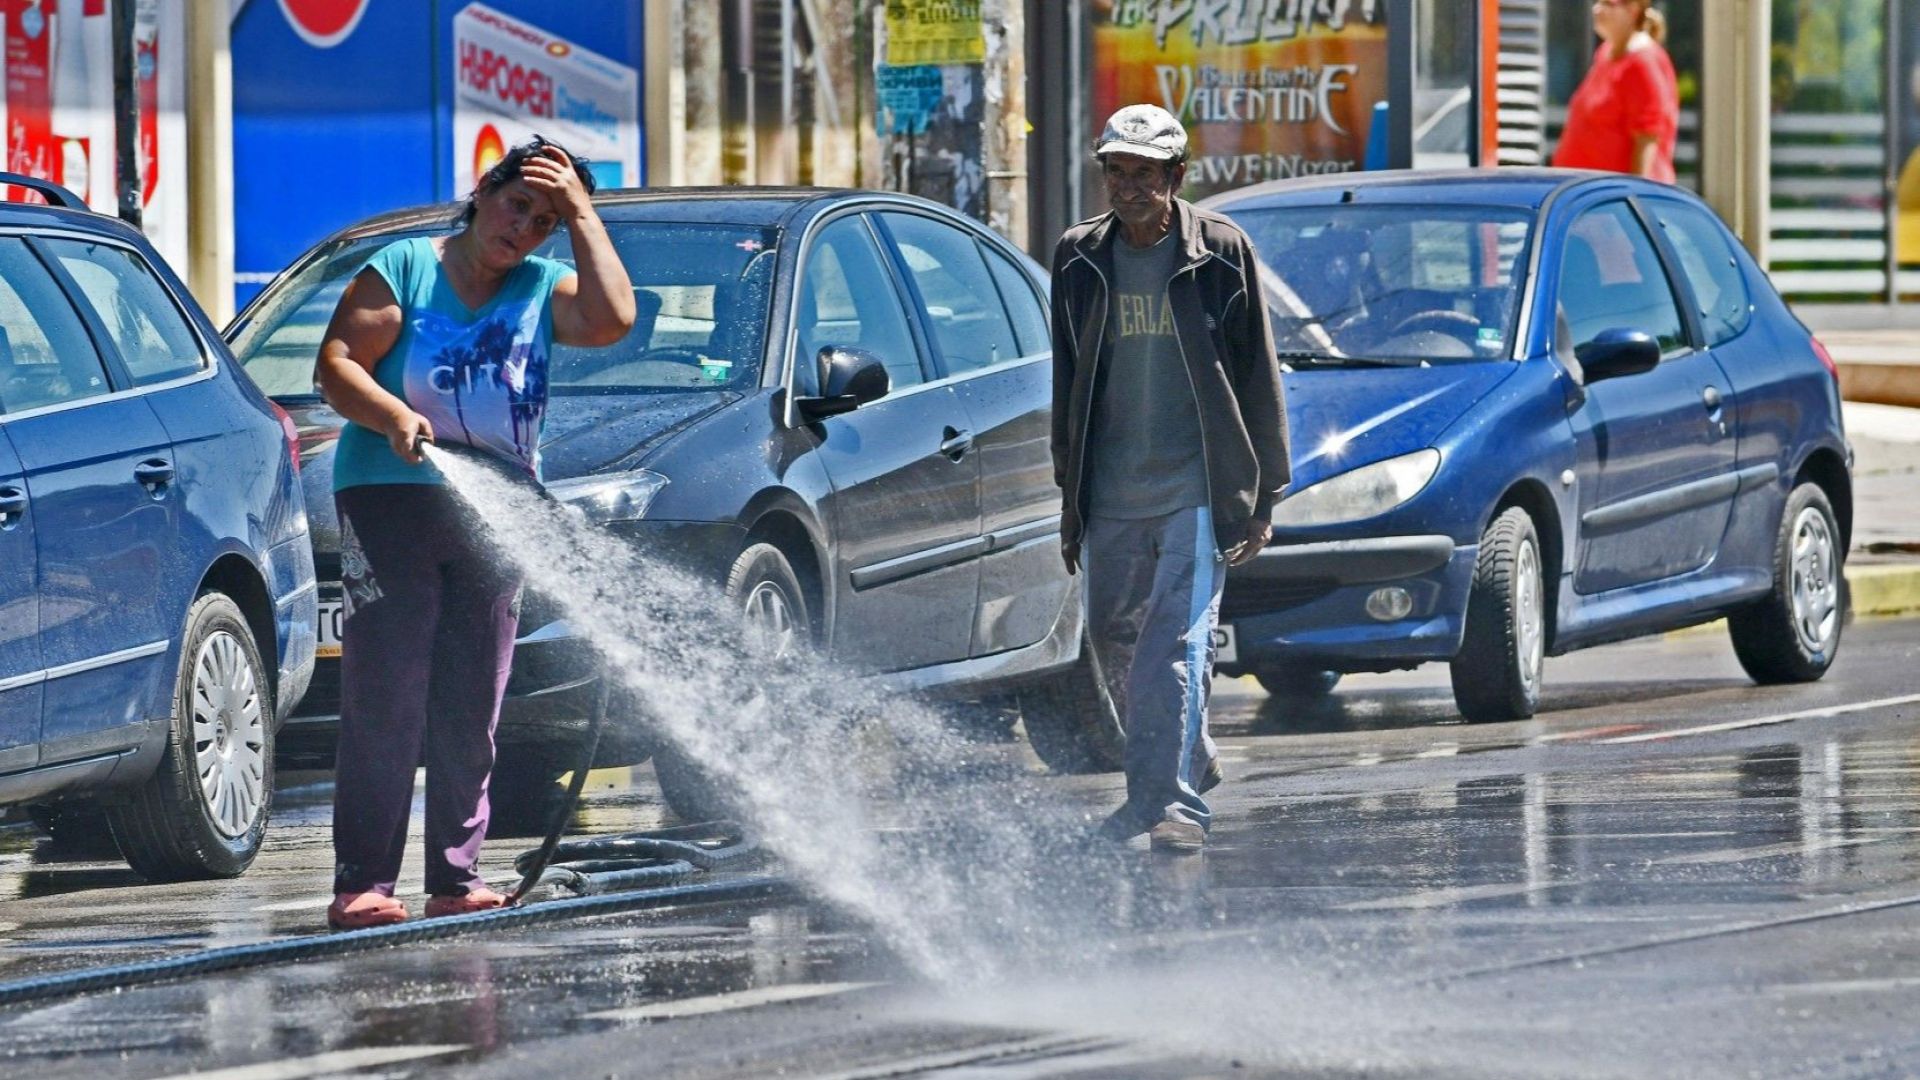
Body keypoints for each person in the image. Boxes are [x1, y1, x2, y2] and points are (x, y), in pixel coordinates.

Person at [315, 138, 635, 929]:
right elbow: (336, 365)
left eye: (545, 220)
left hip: (497, 509)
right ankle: (363, 882)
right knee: (387, 694)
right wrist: (392, 416)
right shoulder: (406, 270)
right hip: (392, 495)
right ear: (484, 192)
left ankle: (455, 878)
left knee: (472, 700)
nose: (523, 227)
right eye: (517, 203)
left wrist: (586, 213)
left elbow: (614, 318)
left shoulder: (541, 289)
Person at [1050, 105, 1290, 854]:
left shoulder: (1220, 252)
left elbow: (1258, 375)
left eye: (1144, 175)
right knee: (1114, 645)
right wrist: (1069, 495)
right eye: (1115, 173)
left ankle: (1168, 805)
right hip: (1109, 488)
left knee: (1175, 647)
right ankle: (1188, 754)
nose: (1128, 189)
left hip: (1193, 484)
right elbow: (1068, 379)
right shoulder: (1079, 256)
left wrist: (1263, 494)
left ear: (1176, 178)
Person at [1550, 0, 1679, 182]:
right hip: (1586, 194)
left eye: (1608, 3)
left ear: (1632, 11)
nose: (1597, 9)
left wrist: (1634, 196)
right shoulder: (1606, 53)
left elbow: (1647, 139)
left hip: (1614, 202)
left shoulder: (1643, 62)